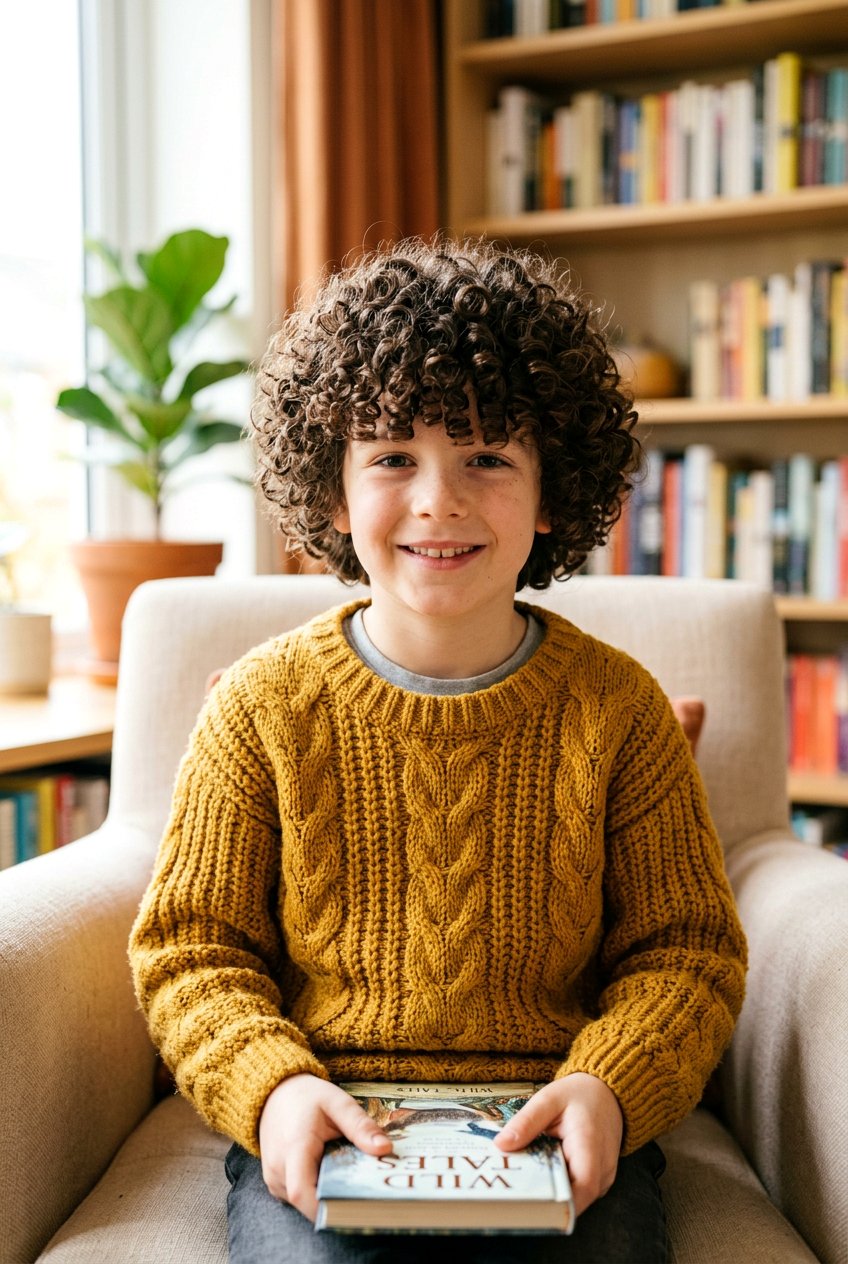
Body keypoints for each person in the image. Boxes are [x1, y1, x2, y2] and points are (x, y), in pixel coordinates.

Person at [129, 237, 747, 1264]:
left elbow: (684, 954)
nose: (437, 499)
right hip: (328, 1120)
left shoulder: (619, 711)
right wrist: (274, 1086)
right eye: (390, 458)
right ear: (330, 491)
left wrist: (606, 1085)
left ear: (551, 493)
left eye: (486, 457)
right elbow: (192, 950)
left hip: (554, 1120)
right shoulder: (258, 705)